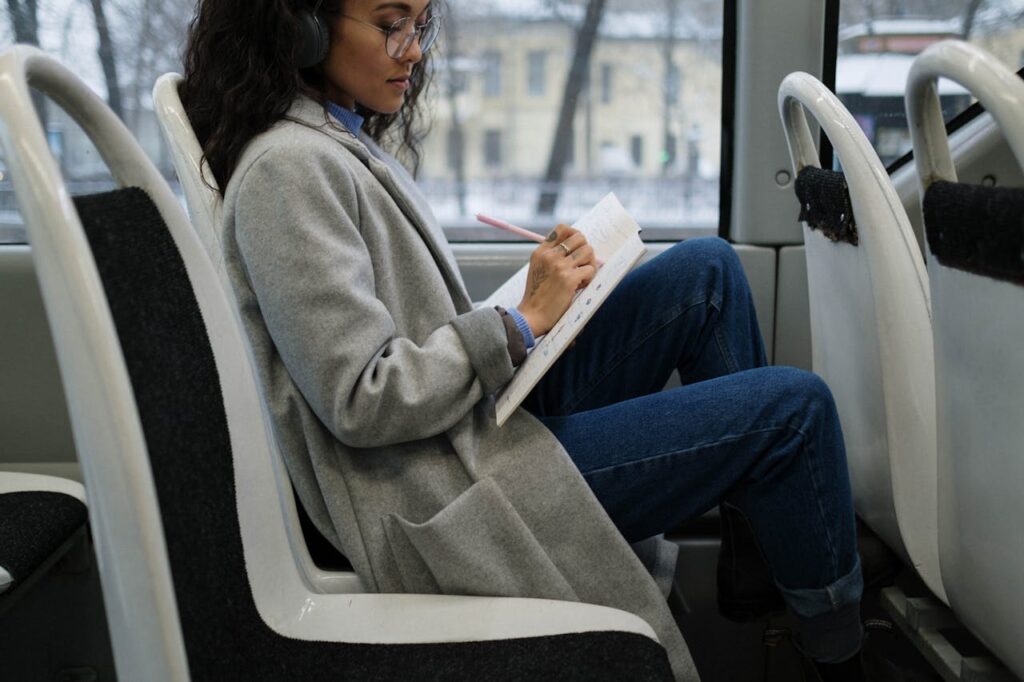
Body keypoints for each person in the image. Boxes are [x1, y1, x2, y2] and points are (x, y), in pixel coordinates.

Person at [181, 1, 865, 679]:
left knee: (707, 273)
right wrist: (517, 323)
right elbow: (362, 397)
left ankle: (758, 565)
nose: (413, 51)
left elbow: (405, 329)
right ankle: (835, 658)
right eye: (391, 25)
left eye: (421, 25)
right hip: (445, 482)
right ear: (300, 28)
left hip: (467, 429)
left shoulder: (337, 138)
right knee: (793, 412)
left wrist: (543, 302)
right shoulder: (287, 172)